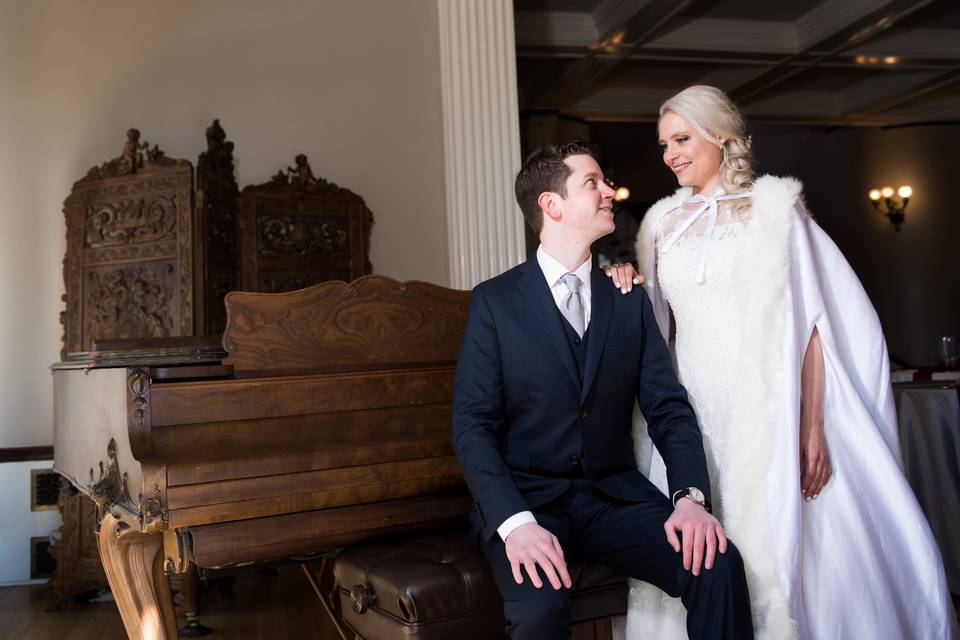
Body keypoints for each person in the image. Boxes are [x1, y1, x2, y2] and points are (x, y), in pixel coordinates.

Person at [605, 85, 958, 639]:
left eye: (680, 139)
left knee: (776, 545)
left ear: (719, 138)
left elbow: (815, 325)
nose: (669, 154)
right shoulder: (658, 225)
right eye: (663, 144)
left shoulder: (773, 211)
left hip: (763, 402)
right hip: (689, 407)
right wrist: (623, 283)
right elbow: (654, 328)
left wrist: (812, 424)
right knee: (697, 542)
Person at [452, 141, 754, 640]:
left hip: (615, 500)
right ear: (551, 205)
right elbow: (472, 427)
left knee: (716, 563)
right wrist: (514, 522)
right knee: (538, 615)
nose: (609, 192)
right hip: (531, 503)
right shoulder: (495, 303)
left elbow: (668, 409)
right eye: (592, 183)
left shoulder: (626, 297)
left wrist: (690, 498)